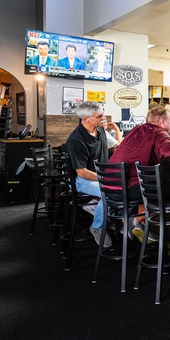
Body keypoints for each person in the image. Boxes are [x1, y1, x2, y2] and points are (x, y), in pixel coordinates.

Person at [108, 105, 170, 241]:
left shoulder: (137, 130)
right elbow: (168, 152)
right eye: (169, 121)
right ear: (162, 122)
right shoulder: (158, 132)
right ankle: (137, 222)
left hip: (110, 188)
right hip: (128, 188)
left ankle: (139, 223)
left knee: (149, 184)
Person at [65, 101, 112, 247]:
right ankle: (97, 227)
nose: (104, 118)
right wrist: (106, 178)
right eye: (99, 116)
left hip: (101, 177)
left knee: (122, 189)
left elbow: (112, 149)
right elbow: (82, 172)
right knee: (109, 192)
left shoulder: (101, 131)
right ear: (86, 119)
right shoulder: (75, 140)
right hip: (82, 180)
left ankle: (105, 213)